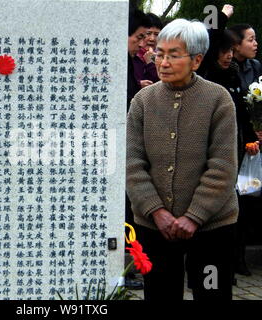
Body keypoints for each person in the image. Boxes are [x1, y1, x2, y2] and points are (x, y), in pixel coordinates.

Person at [126, 18, 239, 300]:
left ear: (197, 60)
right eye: (159, 53)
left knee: (211, 291)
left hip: (211, 225)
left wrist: (194, 216)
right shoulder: (143, 101)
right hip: (156, 225)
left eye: (173, 55)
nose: (162, 62)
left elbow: (223, 166)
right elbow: (132, 162)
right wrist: (156, 210)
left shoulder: (218, 99)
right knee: (161, 293)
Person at [199, 4, 260, 278]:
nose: (227, 56)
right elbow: (209, 37)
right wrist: (221, 16)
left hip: (235, 152)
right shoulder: (207, 78)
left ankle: (234, 261)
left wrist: (250, 138)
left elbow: (242, 114)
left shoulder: (234, 75)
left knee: (236, 208)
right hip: (209, 153)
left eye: (230, 52)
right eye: (224, 52)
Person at [126, 6, 151, 291]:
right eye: (140, 37)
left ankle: (132, 266)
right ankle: (128, 268)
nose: (143, 43)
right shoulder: (120, 61)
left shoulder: (133, 61)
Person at [133, 13, 162, 89]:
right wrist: (138, 84)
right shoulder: (131, 55)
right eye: (148, 33)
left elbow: (162, 83)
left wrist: (151, 62)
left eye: (156, 34)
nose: (152, 38)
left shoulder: (163, 58)